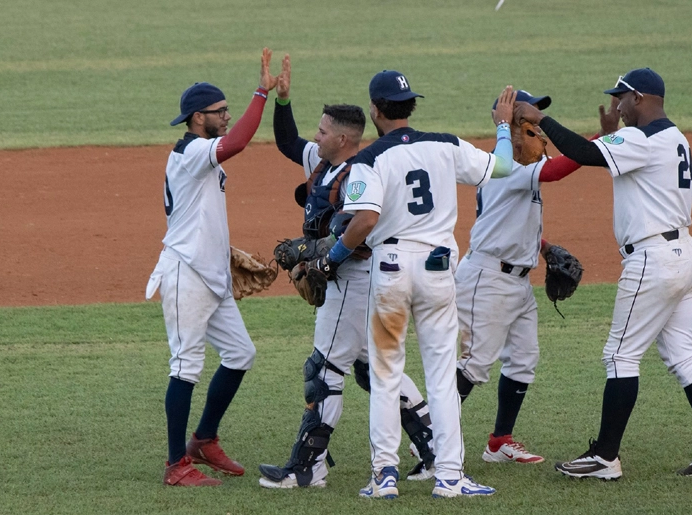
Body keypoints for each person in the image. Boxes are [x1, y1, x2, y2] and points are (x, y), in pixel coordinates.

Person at [514, 68, 692, 479]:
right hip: (685, 253)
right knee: (684, 355)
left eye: (620, 98)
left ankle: (604, 458)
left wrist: (540, 118)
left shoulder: (641, 139)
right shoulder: (674, 137)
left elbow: (582, 156)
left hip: (654, 260)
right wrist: (606, 134)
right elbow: (600, 154)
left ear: (638, 97)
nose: (616, 105)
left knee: (620, 356)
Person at [305, 71, 516, 498]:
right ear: (411, 105)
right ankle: (450, 478)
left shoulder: (369, 159)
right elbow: (505, 165)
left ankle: (384, 477)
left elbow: (364, 221)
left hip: (390, 271)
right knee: (440, 375)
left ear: (375, 111)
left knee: (385, 375)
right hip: (438, 269)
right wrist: (503, 125)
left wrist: (330, 259)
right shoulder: (446, 144)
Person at [257, 55, 435, 490]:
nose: (313, 137)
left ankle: (307, 467)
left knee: (324, 371)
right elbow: (285, 142)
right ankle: (436, 448)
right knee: (372, 366)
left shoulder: (360, 172)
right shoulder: (323, 162)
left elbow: (358, 232)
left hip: (353, 280)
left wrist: (315, 254)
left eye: (321, 131)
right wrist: (282, 99)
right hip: (359, 282)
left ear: (341, 138)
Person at [455, 90, 619, 465]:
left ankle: (499, 442)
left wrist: (543, 248)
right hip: (488, 278)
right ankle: (428, 436)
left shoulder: (514, 169)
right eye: (528, 123)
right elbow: (561, 168)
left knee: (523, 360)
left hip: (515, 279)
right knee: (475, 365)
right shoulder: (506, 168)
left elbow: (505, 221)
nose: (538, 133)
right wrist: (602, 140)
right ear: (510, 131)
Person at [145, 48, 278, 487]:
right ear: (198, 117)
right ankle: (174, 466)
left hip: (213, 274)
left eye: (227, 110)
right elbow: (237, 142)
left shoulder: (199, 152)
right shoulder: (192, 152)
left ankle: (203, 440)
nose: (226, 116)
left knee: (241, 354)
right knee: (185, 364)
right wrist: (262, 92)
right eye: (220, 111)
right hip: (185, 273)